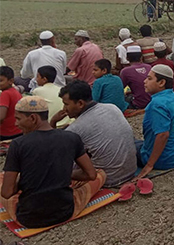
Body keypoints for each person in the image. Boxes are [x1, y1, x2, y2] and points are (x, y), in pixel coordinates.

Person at [0, 96, 105, 229]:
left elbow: (7, 193)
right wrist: (64, 174)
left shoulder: (17, 145)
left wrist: (23, 182)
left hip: (28, 219)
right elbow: (91, 175)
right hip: (66, 212)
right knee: (101, 174)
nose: (16, 124)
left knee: (3, 179)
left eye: (18, 119)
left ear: (33, 118)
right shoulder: (71, 138)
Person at [54, 80, 137, 187]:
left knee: (58, 167)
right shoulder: (112, 107)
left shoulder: (77, 128)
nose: (64, 109)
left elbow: (55, 151)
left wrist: (52, 122)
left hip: (108, 179)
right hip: (130, 172)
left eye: (66, 104)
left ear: (80, 103)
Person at [136, 65, 174, 179]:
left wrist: (149, 165)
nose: (145, 81)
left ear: (161, 82)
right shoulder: (173, 96)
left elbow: (162, 135)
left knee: (130, 146)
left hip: (167, 159)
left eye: (149, 78)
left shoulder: (157, 104)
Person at [0, 66, 22, 140]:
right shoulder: (16, 92)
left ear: (11, 81)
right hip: (18, 130)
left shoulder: (5, 94)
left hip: (6, 133)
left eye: (0, 81)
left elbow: (1, 117)